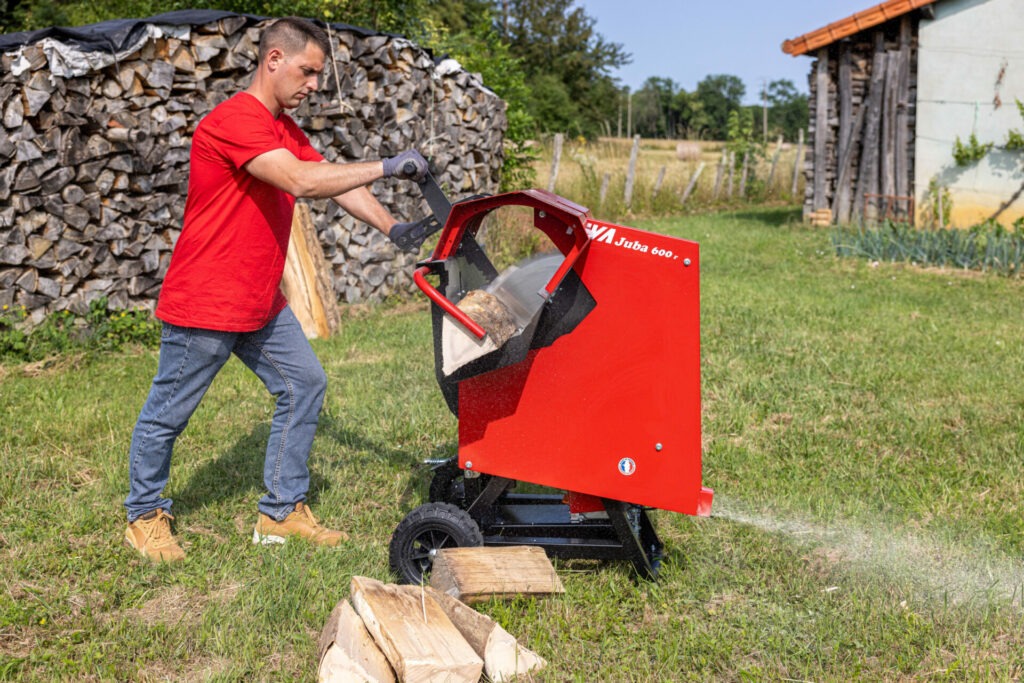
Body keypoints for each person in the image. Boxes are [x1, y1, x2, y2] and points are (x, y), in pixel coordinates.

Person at [123, 16, 430, 562]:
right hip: (208, 299)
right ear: (273, 60)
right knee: (168, 411)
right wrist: (386, 165)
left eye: (318, 74)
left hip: (260, 300)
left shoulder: (282, 128)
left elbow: (330, 179)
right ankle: (144, 515)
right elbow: (301, 181)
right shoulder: (235, 120)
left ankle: (281, 512)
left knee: (304, 383)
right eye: (308, 71)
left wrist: (393, 227)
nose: (314, 84)